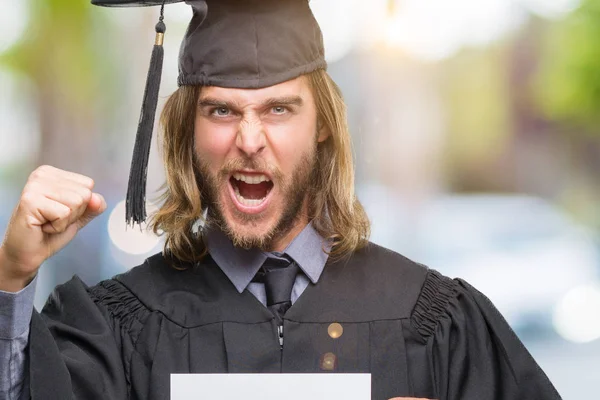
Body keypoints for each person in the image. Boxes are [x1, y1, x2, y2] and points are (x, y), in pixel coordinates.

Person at [0, 0, 562, 399]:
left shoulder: (435, 321)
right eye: (221, 110)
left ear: (323, 126)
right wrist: (11, 276)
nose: (249, 140)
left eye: (279, 109)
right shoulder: (119, 331)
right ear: (186, 133)